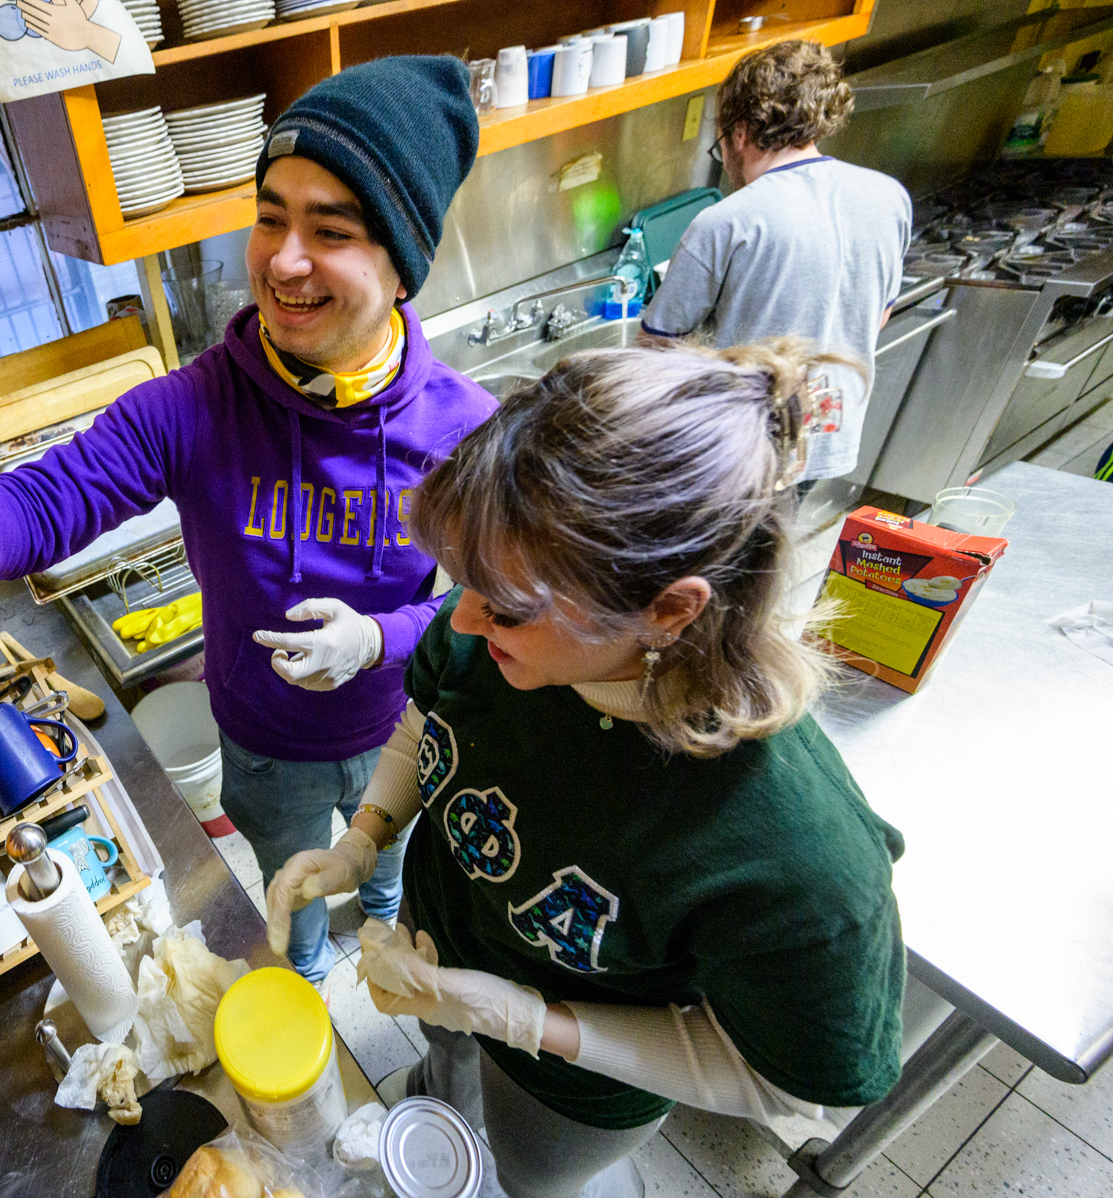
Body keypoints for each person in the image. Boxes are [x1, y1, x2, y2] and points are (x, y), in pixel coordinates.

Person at [0, 56, 496, 987]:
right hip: (264, 747)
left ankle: (380, 922)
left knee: (386, 868)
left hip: (400, 728)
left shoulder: (466, 429)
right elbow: (43, 503)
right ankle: (305, 973)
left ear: (402, 265)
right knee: (293, 890)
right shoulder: (195, 406)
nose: (282, 260)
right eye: (270, 217)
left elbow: (491, 609)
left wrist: (380, 642)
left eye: (331, 231)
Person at [266, 341, 906, 1198]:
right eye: (465, 583)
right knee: (445, 1065)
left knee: (532, 1173)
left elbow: (777, 1083)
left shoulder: (795, 862)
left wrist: (527, 1021)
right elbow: (429, 720)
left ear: (667, 610)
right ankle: (445, 1085)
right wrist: (364, 838)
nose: (461, 619)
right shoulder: (498, 631)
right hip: (439, 940)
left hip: (573, 1081)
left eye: (506, 608)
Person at [641, 39, 911, 484]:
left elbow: (655, 352)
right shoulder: (888, 196)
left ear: (740, 133)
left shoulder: (727, 220)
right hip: (829, 431)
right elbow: (878, 315)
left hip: (741, 445)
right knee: (781, 527)